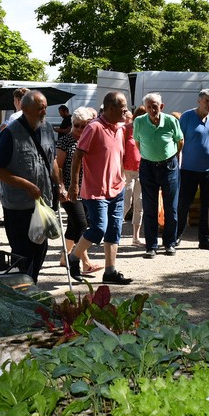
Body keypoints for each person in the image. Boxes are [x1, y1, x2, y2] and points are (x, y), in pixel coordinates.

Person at [0, 91, 65, 281]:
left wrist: (60, 186)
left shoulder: (48, 128)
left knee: (40, 249)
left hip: (43, 203)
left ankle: (31, 284)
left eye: (45, 107)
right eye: (39, 108)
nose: (44, 111)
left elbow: (53, 161)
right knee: (22, 254)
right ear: (25, 109)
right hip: (18, 206)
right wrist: (25, 184)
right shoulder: (10, 133)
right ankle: (22, 289)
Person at [66, 91, 132, 285]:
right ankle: (73, 257)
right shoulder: (93, 127)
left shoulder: (120, 128)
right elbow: (78, 156)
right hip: (96, 191)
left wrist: (122, 179)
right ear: (111, 108)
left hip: (117, 189)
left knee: (114, 229)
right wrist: (73, 185)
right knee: (98, 229)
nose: (126, 110)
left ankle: (110, 271)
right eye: (123, 107)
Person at [177, 89, 209, 250]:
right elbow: (178, 140)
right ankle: (176, 236)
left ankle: (205, 239)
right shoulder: (187, 117)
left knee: (208, 205)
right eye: (207, 100)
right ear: (199, 101)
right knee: (183, 204)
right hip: (188, 169)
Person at [133, 92, 183, 258]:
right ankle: (151, 246)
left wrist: (170, 157)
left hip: (169, 165)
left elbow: (180, 141)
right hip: (147, 166)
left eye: (155, 106)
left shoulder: (171, 121)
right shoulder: (139, 122)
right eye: (149, 107)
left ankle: (169, 243)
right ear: (145, 108)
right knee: (149, 207)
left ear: (161, 106)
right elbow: (138, 143)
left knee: (171, 207)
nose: (152, 109)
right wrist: (150, 156)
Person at [56, 106, 102, 274]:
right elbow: (57, 167)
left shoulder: (92, 140)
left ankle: (64, 256)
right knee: (82, 225)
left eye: (84, 126)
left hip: (87, 190)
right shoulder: (65, 141)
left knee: (74, 226)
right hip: (69, 191)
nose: (80, 129)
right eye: (77, 125)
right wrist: (61, 187)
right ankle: (86, 263)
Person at [122, 107, 144, 246]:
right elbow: (119, 150)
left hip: (142, 171)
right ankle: (112, 233)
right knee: (125, 203)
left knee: (139, 204)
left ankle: (135, 238)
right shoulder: (126, 129)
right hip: (127, 171)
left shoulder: (147, 130)